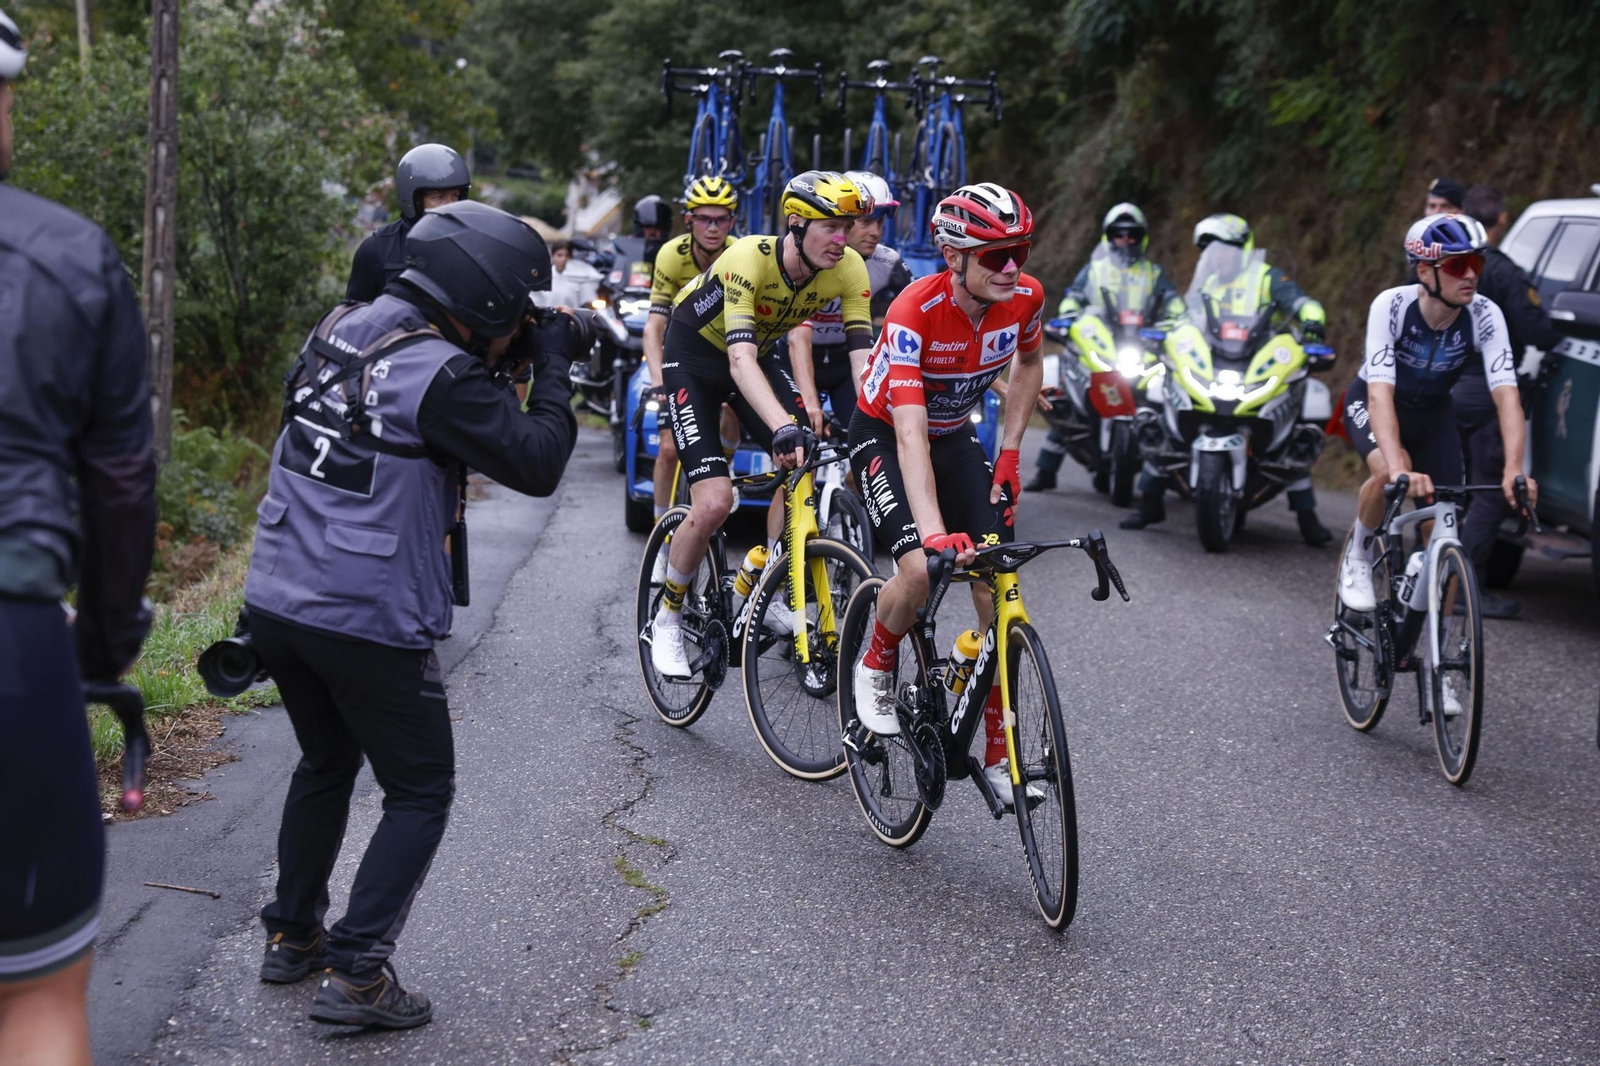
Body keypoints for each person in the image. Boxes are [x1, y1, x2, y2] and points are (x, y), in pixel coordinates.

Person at [243, 201, 579, 1029]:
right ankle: (359, 974)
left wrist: (500, 362)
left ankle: (292, 935)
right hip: (363, 612)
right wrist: (556, 368)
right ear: (488, 300)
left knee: (326, 761)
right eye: (518, 311)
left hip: (278, 597)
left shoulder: (339, 325)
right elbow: (536, 461)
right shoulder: (443, 376)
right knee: (421, 789)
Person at [0, 11, 159, 1061]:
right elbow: (120, 487)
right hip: (12, 637)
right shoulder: (65, 255)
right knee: (39, 995)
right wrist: (100, 648)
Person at [847, 183, 1046, 806]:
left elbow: (1030, 365)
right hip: (883, 432)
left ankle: (996, 751)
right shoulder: (914, 309)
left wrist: (1011, 450)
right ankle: (875, 663)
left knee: (998, 585)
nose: (1011, 267)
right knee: (919, 570)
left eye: (1019, 250)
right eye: (994, 256)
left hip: (955, 435)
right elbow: (908, 436)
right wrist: (934, 536)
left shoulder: (1025, 298)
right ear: (954, 258)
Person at [648, 171, 874, 679]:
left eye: (848, 227)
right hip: (696, 356)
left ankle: (767, 577)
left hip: (759, 354)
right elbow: (738, 361)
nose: (843, 239)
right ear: (795, 223)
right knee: (714, 502)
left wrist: (874, 422)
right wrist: (782, 426)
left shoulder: (850, 269)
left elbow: (863, 359)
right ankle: (668, 614)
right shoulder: (749, 256)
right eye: (831, 227)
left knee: (803, 464)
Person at [1336, 214, 1536, 642]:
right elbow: (1379, 396)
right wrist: (1398, 465)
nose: (1470, 276)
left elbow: (1507, 397)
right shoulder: (1390, 306)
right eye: (1456, 266)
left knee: (1446, 539)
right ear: (1424, 271)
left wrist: (1514, 469)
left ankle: (1440, 657)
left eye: (1476, 265)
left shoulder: (1485, 314)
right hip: (1373, 402)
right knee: (1391, 471)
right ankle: (1358, 555)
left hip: (1433, 414)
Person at [1120, 213, 1335, 545]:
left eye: (1224, 248)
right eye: (1209, 250)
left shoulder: (1267, 277)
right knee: (1161, 401)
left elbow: (1302, 302)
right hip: (1215, 360)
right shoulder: (1207, 284)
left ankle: (1307, 518)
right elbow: (1185, 315)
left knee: (1298, 422)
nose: (1217, 256)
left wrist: (1312, 321)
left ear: (1242, 249)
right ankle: (1150, 504)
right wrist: (1168, 330)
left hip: (1254, 361)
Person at [1453, 184, 1561, 618]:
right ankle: (1462, 589)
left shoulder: (1438, 267)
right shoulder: (1503, 272)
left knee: (1453, 487)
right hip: (1486, 392)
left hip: (1443, 388)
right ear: (1499, 222)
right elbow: (1539, 332)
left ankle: (1431, 573)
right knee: (1492, 492)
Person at [1026, 202, 1186, 492]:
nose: (1125, 240)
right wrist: (1068, 317)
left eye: (1131, 234)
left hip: (1143, 348)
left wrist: (1177, 323)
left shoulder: (1153, 273)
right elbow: (1073, 299)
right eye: (1118, 234)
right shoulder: (1094, 270)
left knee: (1165, 403)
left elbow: (1174, 305)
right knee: (1071, 406)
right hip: (1100, 349)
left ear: (1142, 237)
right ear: (1108, 236)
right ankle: (1045, 472)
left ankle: (1169, 479)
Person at [780, 170, 913, 433]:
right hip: (795, 358)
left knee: (870, 437)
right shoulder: (808, 257)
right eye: (865, 222)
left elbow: (925, 317)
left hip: (846, 361)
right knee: (797, 440)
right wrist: (809, 402)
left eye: (881, 222)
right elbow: (798, 338)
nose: (875, 232)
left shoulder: (888, 261)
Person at [642, 176, 740, 525]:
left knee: (734, 407)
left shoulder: (739, 254)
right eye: (704, 219)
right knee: (668, 449)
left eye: (721, 219)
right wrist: (658, 382)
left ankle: (724, 464)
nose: (713, 228)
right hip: (678, 355)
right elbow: (654, 327)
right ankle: (659, 529)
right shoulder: (671, 255)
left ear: (732, 222)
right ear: (688, 220)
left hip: (723, 351)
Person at [345, 143, 471, 303]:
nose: (450, 206)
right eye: (438, 197)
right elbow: (355, 320)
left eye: (455, 196)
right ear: (413, 200)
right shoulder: (377, 250)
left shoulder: (471, 247)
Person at [530, 239, 602, 310]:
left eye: (567, 256)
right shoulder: (545, 277)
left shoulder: (579, 278)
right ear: (552, 256)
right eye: (559, 255)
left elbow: (587, 301)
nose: (563, 259)